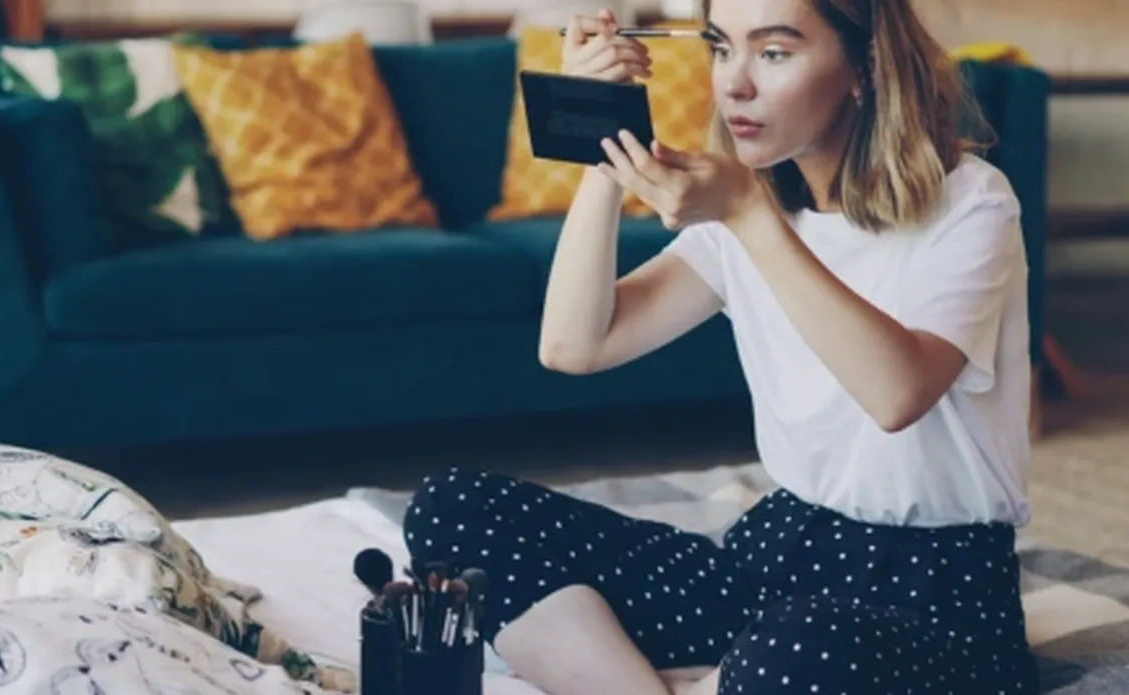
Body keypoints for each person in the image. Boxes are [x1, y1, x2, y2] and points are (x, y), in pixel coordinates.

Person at [402, 0, 1038, 693]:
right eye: (721, 47)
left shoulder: (972, 203)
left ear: (865, 66)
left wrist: (749, 216)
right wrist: (604, 144)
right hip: (780, 551)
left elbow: (897, 393)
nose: (734, 83)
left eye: (774, 52)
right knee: (454, 508)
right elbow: (573, 346)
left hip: (938, 591)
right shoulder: (749, 211)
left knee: (792, 650)